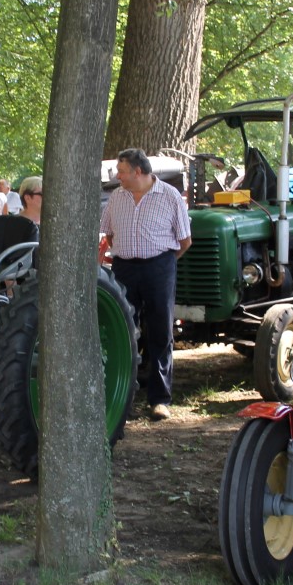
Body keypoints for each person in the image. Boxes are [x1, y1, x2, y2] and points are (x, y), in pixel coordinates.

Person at [98, 149, 191, 421]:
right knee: (122, 329)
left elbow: (185, 241)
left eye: (122, 171)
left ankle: (160, 399)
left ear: (138, 171)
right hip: (124, 268)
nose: (118, 176)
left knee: (160, 331)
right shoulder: (117, 197)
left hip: (159, 266)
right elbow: (109, 235)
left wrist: (162, 262)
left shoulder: (170, 196)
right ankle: (122, 397)